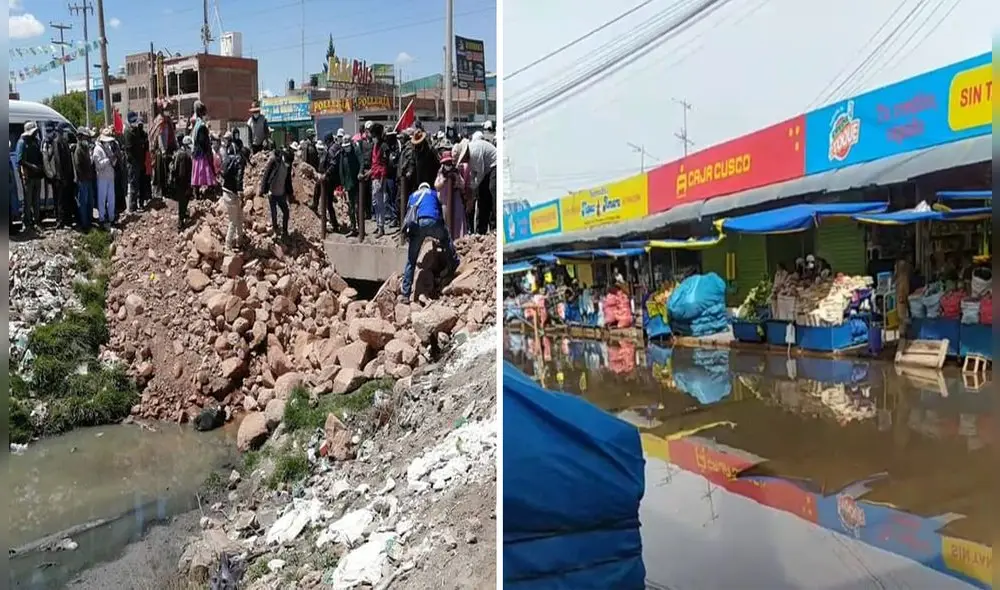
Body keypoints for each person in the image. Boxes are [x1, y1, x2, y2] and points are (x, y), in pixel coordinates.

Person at [400, 182, 460, 302]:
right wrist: (442, 225)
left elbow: (409, 213)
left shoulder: (413, 196)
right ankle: (453, 263)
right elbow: (441, 208)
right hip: (432, 222)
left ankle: (405, 294)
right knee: (445, 238)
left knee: (411, 260)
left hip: (417, 226)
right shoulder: (433, 193)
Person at [259, 147, 294, 240]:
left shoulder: (288, 165)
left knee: (286, 212)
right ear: (284, 157)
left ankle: (285, 231)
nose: (288, 164)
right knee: (274, 213)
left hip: (282, 193)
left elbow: (288, 180)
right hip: (272, 193)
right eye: (287, 161)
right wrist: (263, 190)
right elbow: (266, 175)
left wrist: (290, 193)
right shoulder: (275, 161)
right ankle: (275, 229)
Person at [16, 121, 45, 231]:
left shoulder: (37, 142)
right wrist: (32, 166)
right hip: (28, 176)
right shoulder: (22, 142)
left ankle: (36, 221)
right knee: (27, 202)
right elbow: (20, 160)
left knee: (36, 201)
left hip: (37, 176)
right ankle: (27, 223)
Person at [434, 150, 469, 239]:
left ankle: (459, 240)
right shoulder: (441, 172)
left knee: (459, 220)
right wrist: (443, 181)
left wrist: (456, 180)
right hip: (445, 200)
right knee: (447, 221)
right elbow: (436, 186)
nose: (448, 165)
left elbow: (462, 184)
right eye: (446, 163)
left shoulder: (456, 171)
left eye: (449, 163)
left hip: (456, 199)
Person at [467, 132, 497, 234]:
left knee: (492, 191)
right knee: (482, 198)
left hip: (494, 165)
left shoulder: (474, 152)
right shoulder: (470, 155)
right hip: (486, 170)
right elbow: (473, 173)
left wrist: (473, 185)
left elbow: (480, 173)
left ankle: (494, 226)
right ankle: (481, 230)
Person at [220, 145, 249, 250]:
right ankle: (228, 245)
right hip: (232, 194)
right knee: (233, 220)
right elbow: (239, 178)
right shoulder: (240, 161)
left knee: (239, 217)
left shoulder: (230, 158)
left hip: (226, 191)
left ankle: (240, 240)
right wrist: (241, 193)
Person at [149, 99, 177, 200]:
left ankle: (168, 190)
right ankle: (161, 193)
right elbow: (160, 137)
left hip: (169, 149)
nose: (168, 110)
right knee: (161, 173)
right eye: (166, 109)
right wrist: (163, 151)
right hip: (161, 152)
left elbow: (172, 136)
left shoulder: (168, 120)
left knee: (169, 171)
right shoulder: (160, 121)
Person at [368, 123, 391, 238]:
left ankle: (381, 227)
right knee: (375, 203)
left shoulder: (383, 146)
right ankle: (378, 224)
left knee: (380, 203)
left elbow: (384, 165)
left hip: (380, 178)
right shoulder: (375, 146)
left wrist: (382, 181)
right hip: (374, 177)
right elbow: (374, 164)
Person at [92, 126, 118, 228]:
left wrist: (114, 157)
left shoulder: (108, 147)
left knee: (111, 199)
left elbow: (114, 163)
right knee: (102, 199)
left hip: (110, 177)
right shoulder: (97, 150)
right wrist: (108, 159)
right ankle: (102, 218)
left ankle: (111, 218)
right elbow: (98, 165)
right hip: (102, 177)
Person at [190, 101, 217, 197]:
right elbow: (202, 140)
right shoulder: (201, 125)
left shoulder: (196, 124)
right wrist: (207, 151)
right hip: (202, 154)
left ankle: (197, 193)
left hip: (197, 153)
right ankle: (210, 192)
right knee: (206, 173)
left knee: (197, 175)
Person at [337, 133, 362, 237]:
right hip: (348, 184)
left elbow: (362, 163)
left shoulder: (356, 151)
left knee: (357, 207)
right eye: (345, 146)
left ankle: (361, 228)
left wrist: (360, 173)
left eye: (348, 146)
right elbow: (341, 168)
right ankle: (353, 228)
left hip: (356, 183)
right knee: (350, 207)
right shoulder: (343, 153)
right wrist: (342, 183)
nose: (346, 148)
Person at [71, 128, 95, 231]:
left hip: (88, 179)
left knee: (90, 201)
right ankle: (85, 224)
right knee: (83, 202)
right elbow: (78, 166)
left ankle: (90, 221)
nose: (87, 139)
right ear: (80, 137)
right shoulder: (78, 150)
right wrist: (84, 177)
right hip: (82, 180)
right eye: (85, 137)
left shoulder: (85, 149)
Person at [171, 136, 194, 231]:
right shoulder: (184, 156)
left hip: (179, 183)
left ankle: (183, 217)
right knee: (183, 203)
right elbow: (182, 173)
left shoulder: (179, 153)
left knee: (183, 202)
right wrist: (188, 186)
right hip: (183, 184)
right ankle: (181, 222)